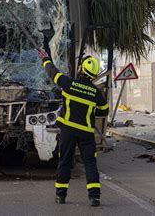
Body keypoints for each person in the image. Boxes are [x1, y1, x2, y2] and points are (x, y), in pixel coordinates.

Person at [38, 49, 109, 207]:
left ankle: (60, 196)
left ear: (81, 69)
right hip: (86, 133)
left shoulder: (69, 84)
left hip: (68, 131)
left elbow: (53, 73)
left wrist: (45, 59)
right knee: (90, 163)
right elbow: (104, 111)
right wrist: (91, 110)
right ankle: (94, 197)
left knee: (65, 161)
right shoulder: (96, 93)